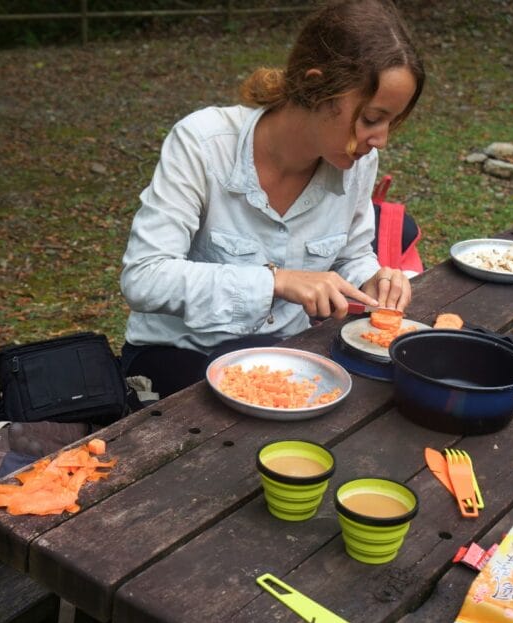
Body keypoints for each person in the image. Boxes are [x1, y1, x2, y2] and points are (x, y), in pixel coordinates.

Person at [118, 0, 426, 399]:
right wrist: (276, 281)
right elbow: (144, 278)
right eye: (371, 118)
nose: (380, 139)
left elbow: (351, 255)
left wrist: (374, 278)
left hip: (285, 354)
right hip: (180, 352)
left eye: (390, 122)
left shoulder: (358, 163)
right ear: (316, 87)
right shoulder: (203, 144)